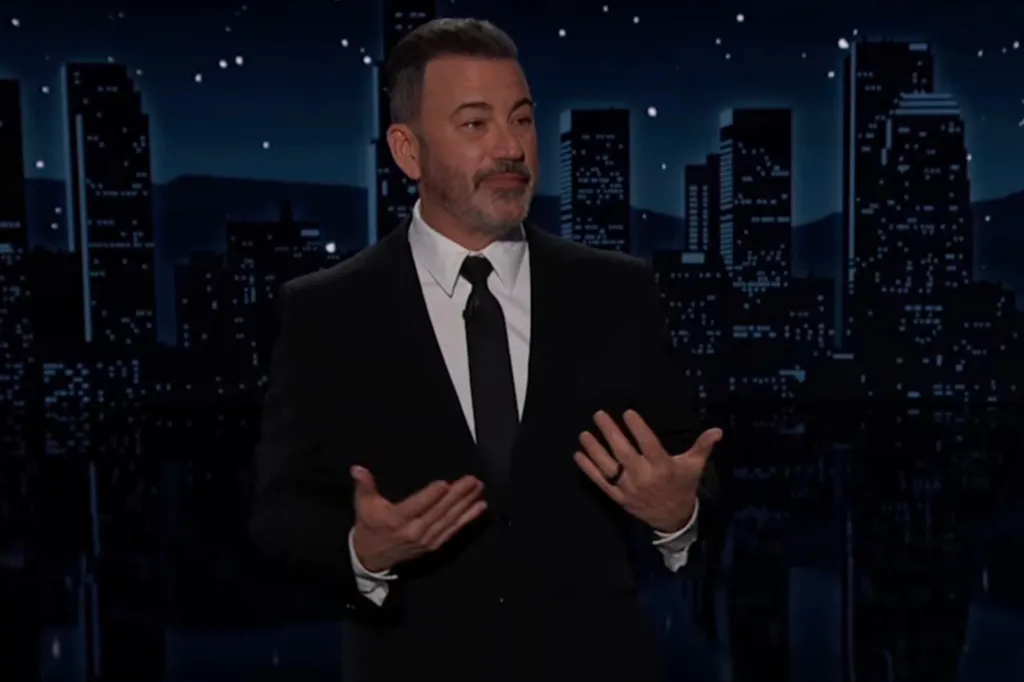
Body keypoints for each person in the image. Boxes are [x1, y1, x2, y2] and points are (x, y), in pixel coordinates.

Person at [250, 17, 721, 682]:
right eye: (476, 124)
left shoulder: (617, 292)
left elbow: (689, 465)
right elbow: (278, 512)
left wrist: (681, 515)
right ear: (407, 152)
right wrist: (363, 550)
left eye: (522, 120)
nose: (511, 148)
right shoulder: (327, 310)